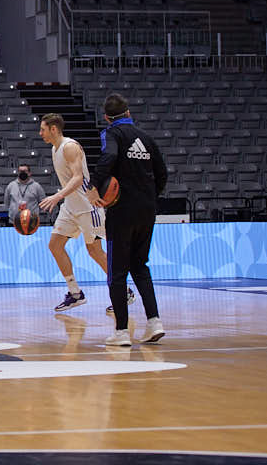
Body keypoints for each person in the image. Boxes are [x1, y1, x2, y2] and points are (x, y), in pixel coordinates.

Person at [92, 93, 168, 347]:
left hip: (122, 210)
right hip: (147, 210)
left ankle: (122, 331)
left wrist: (95, 185)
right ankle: (154, 321)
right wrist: (149, 196)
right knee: (140, 266)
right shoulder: (147, 138)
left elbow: (109, 157)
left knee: (117, 272)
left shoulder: (111, 134)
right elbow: (162, 173)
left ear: (107, 117)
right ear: (128, 113)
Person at [38, 114, 133, 314]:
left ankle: (124, 292)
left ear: (54, 129)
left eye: (43, 129)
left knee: (95, 251)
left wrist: (57, 196)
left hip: (88, 208)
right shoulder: (54, 148)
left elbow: (78, 178)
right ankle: (75, 293)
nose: (40, 133)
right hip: (70, 207)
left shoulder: (70, 147)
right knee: (55, 245)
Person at [4, 164, 44, 229]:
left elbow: (43, 203)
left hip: (31, 222)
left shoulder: (37, 186)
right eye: (20, 171)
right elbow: (7, 203)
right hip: (14, 222)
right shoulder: (11, 186)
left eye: (25, 171)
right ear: (18, 173)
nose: (22, 173)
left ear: (29, 173)